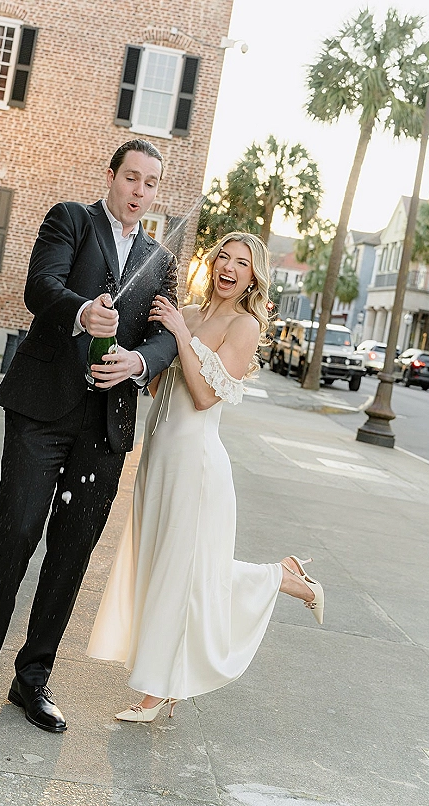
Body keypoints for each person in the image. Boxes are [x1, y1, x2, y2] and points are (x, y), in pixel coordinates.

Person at [0, 139, 178, 744]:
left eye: (151, 184)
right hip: (42, 411)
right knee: (15, 534)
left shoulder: (158, 259)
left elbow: (166, 338)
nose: (140, 192)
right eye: (132, 178)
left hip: (105, 426)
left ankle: (32, 679)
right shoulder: (70, 219)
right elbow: (40, 285)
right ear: (113, 176)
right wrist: (82, 313)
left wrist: (137, 361)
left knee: (72, 552)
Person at [87, 231, 324, 721]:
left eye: (242, 263)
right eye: (224, 257)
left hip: (197, 466)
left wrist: (178, 335)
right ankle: (283, 576)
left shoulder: (243, 326)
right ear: (212, 263)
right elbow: (155, 385)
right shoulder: (188, 314)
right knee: (171, 568)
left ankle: (158, 689)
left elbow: (203, 397)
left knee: (185, 574)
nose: (229, 268)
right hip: (158, 458)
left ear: (253, 276)